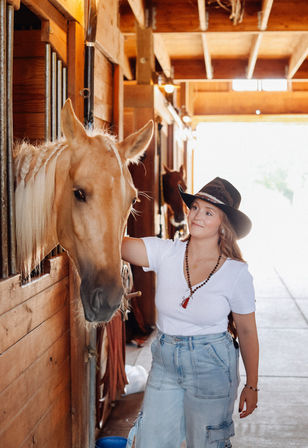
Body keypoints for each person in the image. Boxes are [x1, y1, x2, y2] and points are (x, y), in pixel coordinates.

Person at [122, 177, 259, 448]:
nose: (196, 216)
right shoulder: (166, 252)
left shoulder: (236, 273)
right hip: (165, 361)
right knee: (151, 441)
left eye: (209, 213)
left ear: (224, 224)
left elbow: (246, 331)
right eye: (195, 207)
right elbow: (117, 245)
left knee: (206, 443)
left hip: (213, 364)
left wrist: (252, 386)